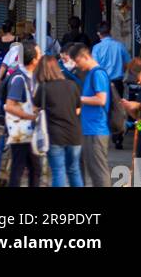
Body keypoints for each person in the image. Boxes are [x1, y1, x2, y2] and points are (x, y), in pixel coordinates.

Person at [33, 54, 83, 187]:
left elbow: (34, 110)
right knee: (74, 170)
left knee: (58, 171)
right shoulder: (72, 85)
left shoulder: (43, 88)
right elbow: (78, 110)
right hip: (74, 134)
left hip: (54, 135)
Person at [67, 43, 111, 187]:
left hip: (96, 130)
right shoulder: (91, 74)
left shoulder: (97, 73)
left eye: (78, 61)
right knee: (94, 171)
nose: (78, 66)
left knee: (99, 173)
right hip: (90, 129)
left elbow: (101, 99)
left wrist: (79, 99)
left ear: (84, 56)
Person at [5, 41, 42, 188]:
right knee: (20, 168)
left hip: (28, 130)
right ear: (33, 60)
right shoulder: (19, 79)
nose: (41, 58)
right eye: (39, 55)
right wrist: (31, 116)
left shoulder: (30, 76)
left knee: (33, 168)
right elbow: (9, 106)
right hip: (20, 130)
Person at [92, 22, 130, 149]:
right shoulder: (120, 46)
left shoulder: (96, 48)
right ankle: (118, 138)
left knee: (102, 110)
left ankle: (102, 138)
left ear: (99, 34)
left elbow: (94, 67)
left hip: (102, 83)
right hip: (117, 82)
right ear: (110, 31)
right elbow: (128, 63)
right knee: (118, 110)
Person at [122, 58, 141, 170]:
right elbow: (140, 117)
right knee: (140, 172)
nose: (137, 81)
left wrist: (139, 106)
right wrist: (129, 108)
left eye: (136, 77)